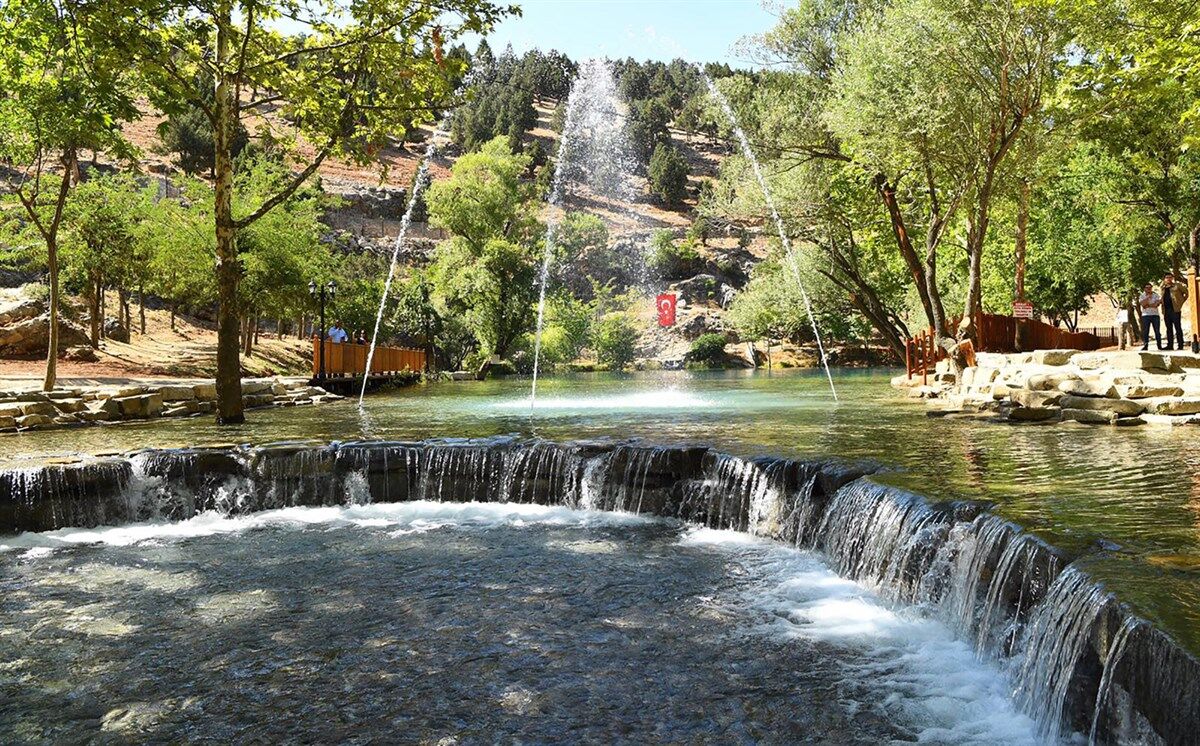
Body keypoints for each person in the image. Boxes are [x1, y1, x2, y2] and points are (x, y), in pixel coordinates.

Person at [1162, 273, 1188, 351]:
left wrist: (1182, 301)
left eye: (1170, 277)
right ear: (1164, 279)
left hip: (1175, 310)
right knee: (1169, 329)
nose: (1168, 279)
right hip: (1166, 311)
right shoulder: (1163, 288)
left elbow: (1187, 292)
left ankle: (1180, 345)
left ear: (1172, 278)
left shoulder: (1177, 285)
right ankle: (1170, 345)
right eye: (1167, 277)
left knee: (1177, 327)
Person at [1139, 283, 1162, 351]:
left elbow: (1157, 304)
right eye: (1147, 287)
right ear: (1144, 288)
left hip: (1155, 315)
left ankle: (1159, 345)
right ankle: (1145, 345)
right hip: (1146, 315)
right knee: (1146, 331)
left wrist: (1148, 305)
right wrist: (1148, 298)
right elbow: (1142, 304)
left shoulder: (1155, 295)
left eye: (1150, 287)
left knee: (1157, 331)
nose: (1149, 289)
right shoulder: (1142, 295)